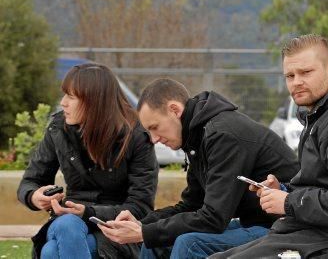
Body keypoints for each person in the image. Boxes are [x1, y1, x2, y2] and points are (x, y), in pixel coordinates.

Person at [212, 34, 328, 258]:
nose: (296, 82)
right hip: (311, 234)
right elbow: (320, 185)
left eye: (306, 72)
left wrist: (289, 202)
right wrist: (281, 191)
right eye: (290, 76)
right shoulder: (321, 116)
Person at [99, 78, 299, 258]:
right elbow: (191, 205)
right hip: (254, 223)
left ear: (175, 110)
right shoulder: (197, 137)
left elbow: (213, 218)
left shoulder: (223, 135)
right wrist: (143, 223)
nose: (154, 139)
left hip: (284, 228)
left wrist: (144, 233)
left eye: (155, 127)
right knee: (155, 244)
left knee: (189, 244)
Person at [17, 63, 159, 258]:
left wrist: (87, 211)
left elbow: (140, 207)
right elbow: (30, 181)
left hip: (114, 230)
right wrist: (34, 196)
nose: (63, 103)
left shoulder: (136, 136)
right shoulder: (58, 128)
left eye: (71, 97)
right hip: (67, 223)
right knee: (67, 225)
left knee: (51, 252)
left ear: (95, 102)